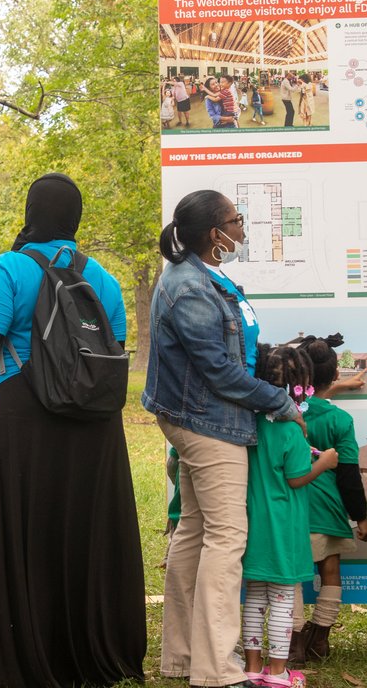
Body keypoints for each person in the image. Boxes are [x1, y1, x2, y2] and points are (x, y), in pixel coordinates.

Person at [0, 173, 146, 686]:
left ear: (31, 211)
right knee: (78, 538)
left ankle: (21, 658)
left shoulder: (6, 269)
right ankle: (83, 656)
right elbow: (112, 346)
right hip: (92, 429)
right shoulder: (102, 277)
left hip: (21, 421)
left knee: (21, 538)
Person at [143, 189, 300, 688]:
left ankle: (184, 658)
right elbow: (216, 369)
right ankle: (217, 670)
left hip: (206, 415)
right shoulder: (188, 286)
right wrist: (278, 401)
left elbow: (233, 352)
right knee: (227, 537)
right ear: (216, 234)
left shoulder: (206, 275)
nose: (242, 228)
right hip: (207, 421)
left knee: (194, 528)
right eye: (237, 220)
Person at [242, 344, 337, 687]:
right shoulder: (291, 430)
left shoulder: (248, 425)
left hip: (253, 528)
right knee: (282, 600)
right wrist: (323, 463)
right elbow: (297, 478)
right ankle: (279, 673)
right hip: (285, 530)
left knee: (254, 597)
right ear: (301, 386)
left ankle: (252, 669)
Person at [294, 333, 367, 662]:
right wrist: (361, 519)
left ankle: (294, 643)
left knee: (292, 577)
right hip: (327, 508)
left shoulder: (282, 412)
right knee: (330, 570)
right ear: (335, 375)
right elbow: (349, 476)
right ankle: (320, 638)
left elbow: (313, 399)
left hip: (291, 506)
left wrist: (336, 387)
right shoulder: (340, 420)